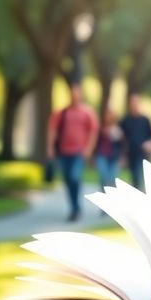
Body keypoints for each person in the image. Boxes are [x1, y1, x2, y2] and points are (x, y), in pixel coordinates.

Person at [47, 83, 99, 222]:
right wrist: (50, 149)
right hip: (64, 152)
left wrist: (89, 149)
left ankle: (76, 208)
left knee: (74, 177)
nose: (74, 96)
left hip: (78, 152)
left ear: (80, 95)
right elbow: (52, 131)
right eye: (72, 94)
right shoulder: (62, 113)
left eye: (77, 94)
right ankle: (74, 208)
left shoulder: (87, 112)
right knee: (68, 180)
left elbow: (93, 131)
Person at [119, 93, 151, 191]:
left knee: (139, 177)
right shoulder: (125, 120)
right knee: (134, 177)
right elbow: (121, 138)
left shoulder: (145, 120)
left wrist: (149, 144)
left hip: (142, 154)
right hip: (131, 154)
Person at [94, 109, 123, 191]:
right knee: (103, 176)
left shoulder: (117, 129)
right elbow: (95, 143)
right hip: (102, 155)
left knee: (112, 178)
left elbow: (121, 144)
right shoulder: (100, 128)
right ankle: (103, 193)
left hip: (114, 157)